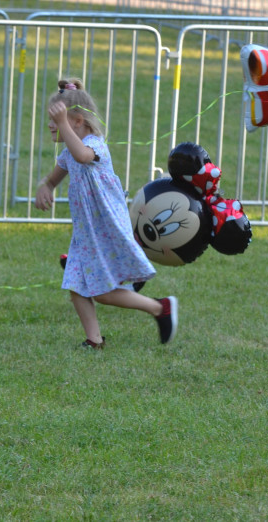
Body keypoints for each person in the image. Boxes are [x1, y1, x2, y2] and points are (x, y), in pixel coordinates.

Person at [34, 78, 177, 348]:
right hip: (86, 233)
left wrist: (64, 123)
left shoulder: (94, 145)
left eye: (57, 118)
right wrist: (45, 186)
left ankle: (160, 308)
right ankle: (94, 339)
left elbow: (83, 157)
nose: (51, 124)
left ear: (77, 121)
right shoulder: (68, 152)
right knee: (77, 287)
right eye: (53, 119)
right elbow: (54, 177)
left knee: (102, 293)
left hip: (105, 229)